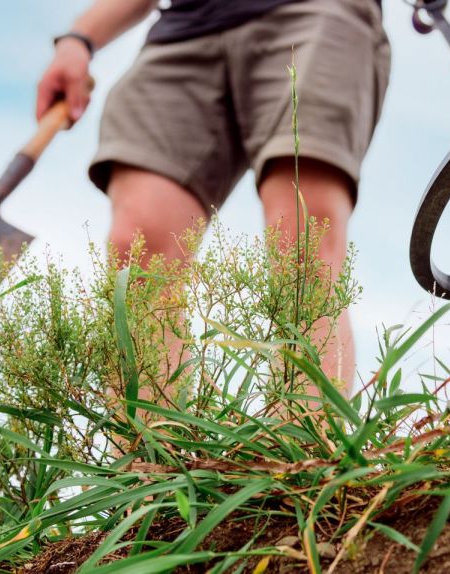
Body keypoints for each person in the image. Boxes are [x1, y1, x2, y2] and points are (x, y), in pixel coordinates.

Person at [35, 0, 391, 394]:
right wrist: (78, 40)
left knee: (303, 240)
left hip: (313, 12)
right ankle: (148, 450)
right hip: (184, 32)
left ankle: (305, 447)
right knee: (137, 249)